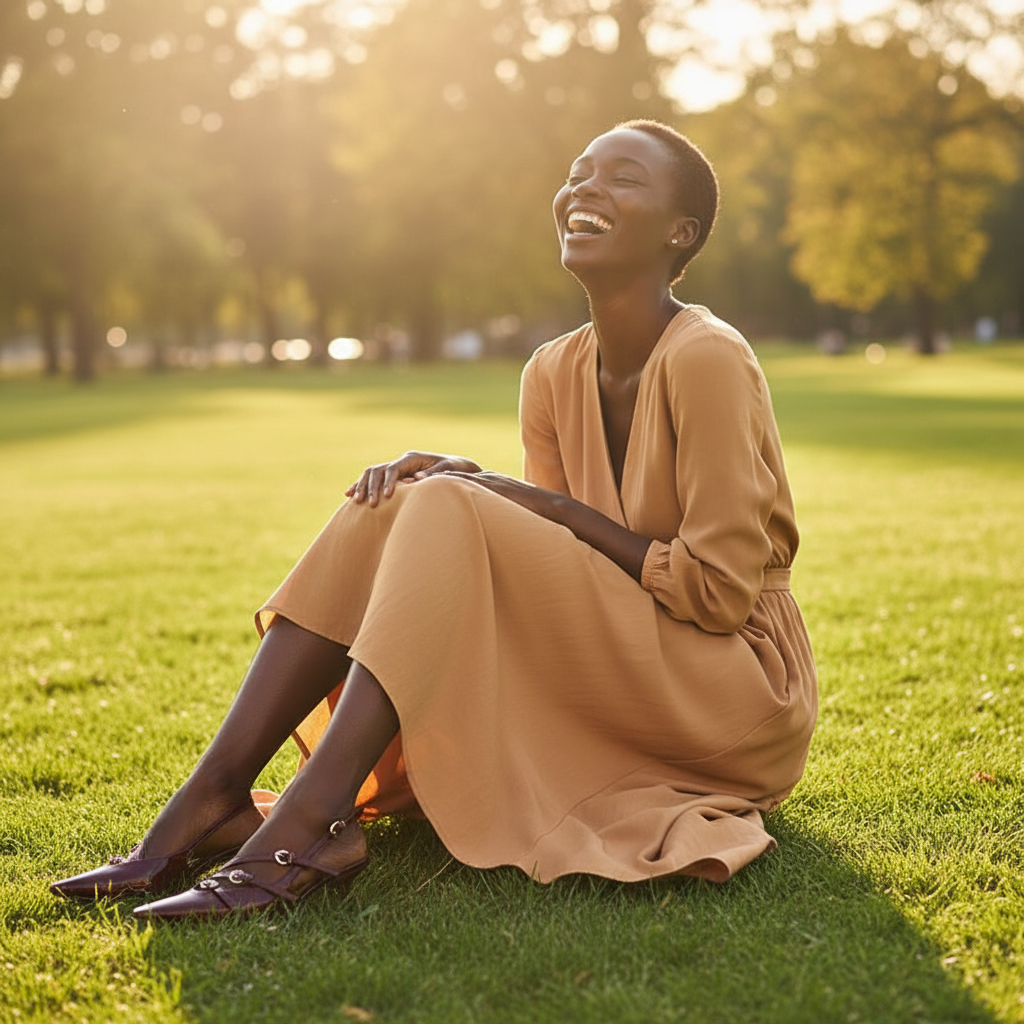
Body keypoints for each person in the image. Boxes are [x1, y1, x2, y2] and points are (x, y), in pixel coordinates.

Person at [50, 121, 817, 920]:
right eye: (579, 173)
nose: (586, 188)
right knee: (399, 494)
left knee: (452, 494)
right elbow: (561, 568)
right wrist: (487, 495)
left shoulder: (708, 357)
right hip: (626, 657)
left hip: (733, 688)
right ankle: (212, 797)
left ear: (679, 232)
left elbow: (719, 594)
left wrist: (510, 496)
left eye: (623, 178)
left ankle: (307, 825)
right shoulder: (551, 372)